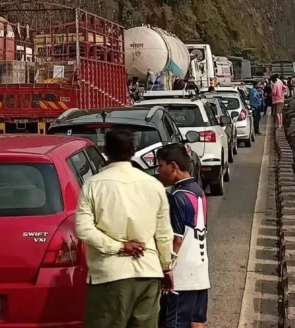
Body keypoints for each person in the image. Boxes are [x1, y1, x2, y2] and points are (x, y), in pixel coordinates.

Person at [76, 128, 174, 328]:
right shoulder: (153, 185)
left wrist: (119, 247)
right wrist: (166, 267)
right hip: (148, 272)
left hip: (109, 276)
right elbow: (164, 233)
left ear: (105, 151)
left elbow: (84, 229)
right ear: (133, 150)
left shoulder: (93, 185)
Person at [156, 145, 210, 328]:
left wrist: (166, 269)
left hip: (181, 278)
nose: (158, 170)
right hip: (200, 271)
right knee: (196, 322)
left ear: (173, 166)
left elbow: (176, 239)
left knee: (173, 323)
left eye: (160, 165)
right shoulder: (199, 192)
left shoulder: (178, 197)